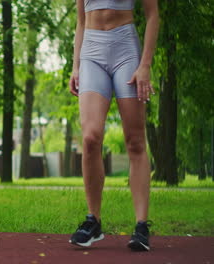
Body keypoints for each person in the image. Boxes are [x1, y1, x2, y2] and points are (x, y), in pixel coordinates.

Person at [68, 0, 159, 251]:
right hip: (91, 51)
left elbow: (152, 15)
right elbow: (81, 20)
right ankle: (93, 221)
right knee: (90, 137)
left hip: (125, 49)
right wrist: (75, 65)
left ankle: (141, 225)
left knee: (135, 140)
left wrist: (145, 65)